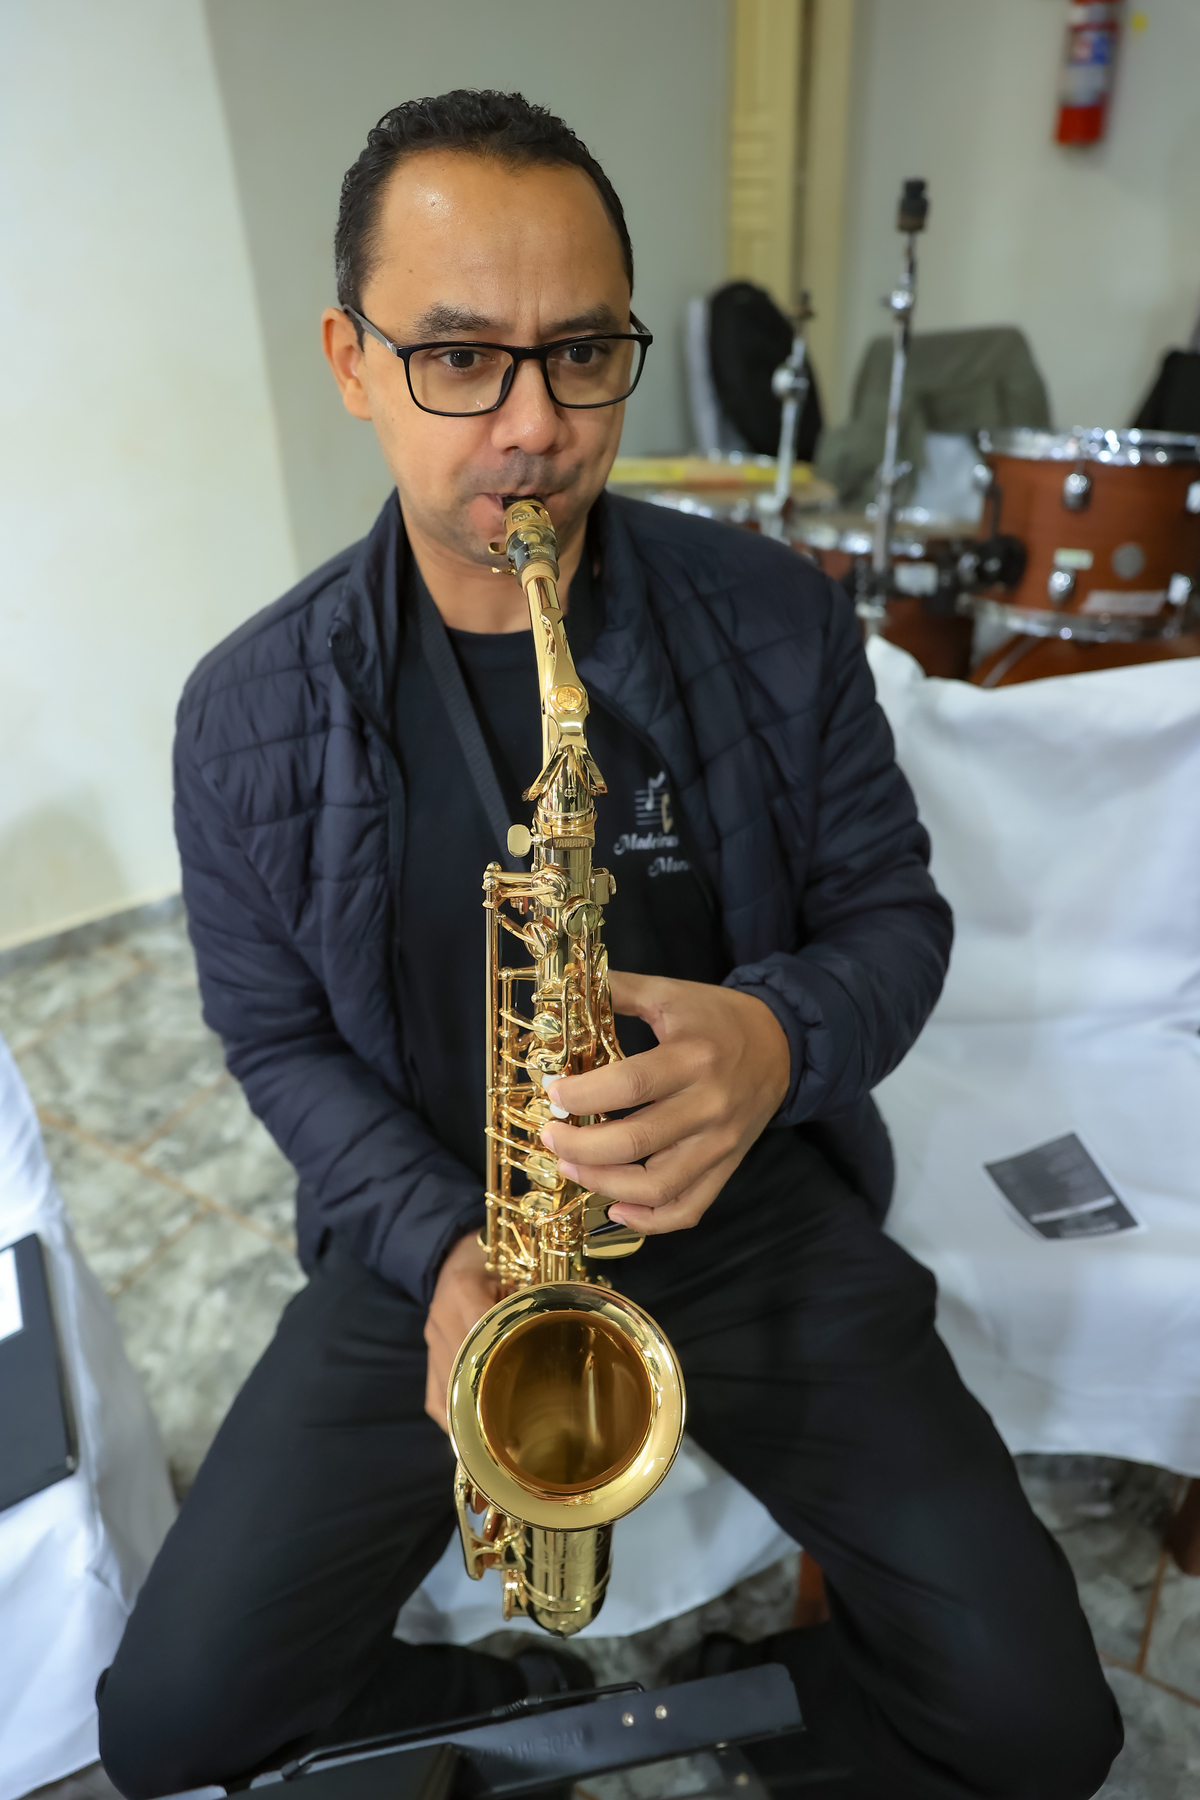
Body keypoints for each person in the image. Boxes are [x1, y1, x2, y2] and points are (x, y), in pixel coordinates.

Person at [97, 90, 1121, 1800]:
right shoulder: (244, 711)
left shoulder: (778, 616)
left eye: (582, 354)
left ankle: (775, 1710)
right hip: (443, 1239)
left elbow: (894, 917)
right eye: (459, 358)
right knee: (167, 1732)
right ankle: (480, 1705)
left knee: (1044, 1730)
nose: (535, 430)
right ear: (351, 362)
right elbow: (275, 1039)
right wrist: (437, 1248)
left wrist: (777, 1042)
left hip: (744, 1207)